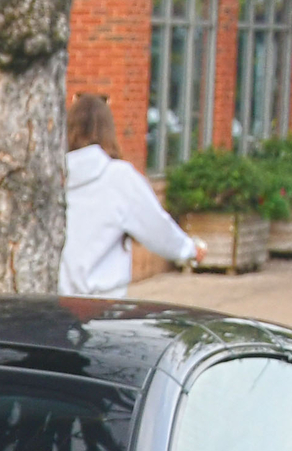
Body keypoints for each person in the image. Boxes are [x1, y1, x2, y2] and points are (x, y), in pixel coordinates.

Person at [59, 94, 202, 298]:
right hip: (104, 304)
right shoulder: (119, 177)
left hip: (57, 302)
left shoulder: (54, 177)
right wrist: (189, 249)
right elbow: (156, 226)